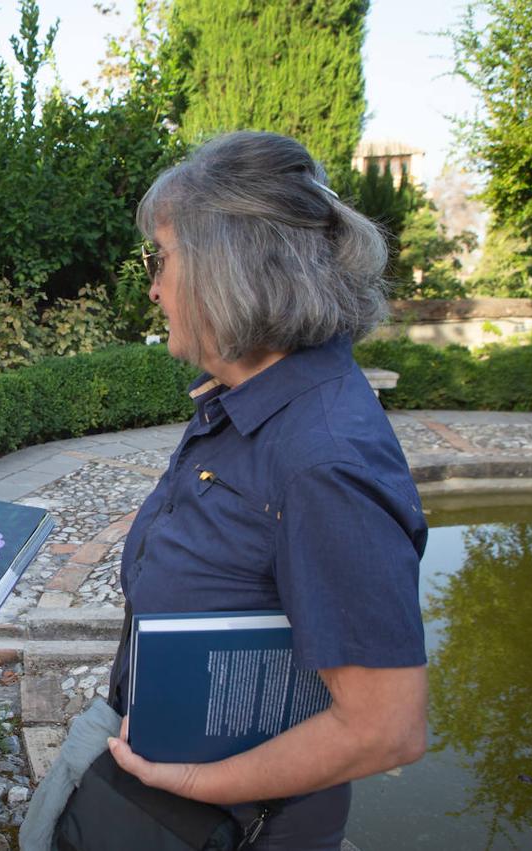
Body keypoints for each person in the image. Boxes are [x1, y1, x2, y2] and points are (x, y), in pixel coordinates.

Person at [101, 131, 429, 849]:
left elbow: (386, 725)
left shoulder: (321, 458)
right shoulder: (250, 398)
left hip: (235, 827)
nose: (152, 286)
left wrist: (195, 783)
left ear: (228, 264)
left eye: (158, 259)